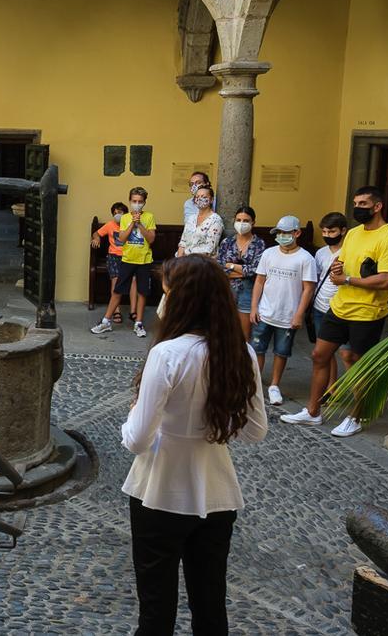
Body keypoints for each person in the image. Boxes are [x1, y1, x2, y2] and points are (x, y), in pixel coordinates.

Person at [121, 255, 267, 635]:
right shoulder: (242, 352)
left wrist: (134, 413)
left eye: (166, 293)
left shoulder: (168, 354)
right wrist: (211, 423)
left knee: (156, 611)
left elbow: (137, 440)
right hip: (216, 493)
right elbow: (255, 431)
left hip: (159, 492)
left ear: (182, 300)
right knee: (210, 605)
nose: (162, 301)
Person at [282, 187, 388, 437]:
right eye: (355, 203)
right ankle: (313, 411)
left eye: (363, 203)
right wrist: (338, 270)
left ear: (377, 206)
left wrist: (348, 280)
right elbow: (343, 262)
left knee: (357, 363)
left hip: (367, 312)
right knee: (319, 355)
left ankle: (357, 416)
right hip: (339, 307)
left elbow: (386, 280)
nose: (357, 208)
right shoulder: (354, 234)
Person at [249, 215, 317, 407]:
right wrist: (254, 307)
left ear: (297, 233)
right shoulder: (269, 253)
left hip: (288, 315)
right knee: (257, 349)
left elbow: (308, 288)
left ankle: (274, 385)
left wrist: (299, 313)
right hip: (265, 311)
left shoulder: (305, 258)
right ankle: (254, 384)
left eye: (286, 233)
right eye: (278, 233)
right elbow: (260, 281)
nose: (281, 236)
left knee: (282, 351)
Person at [93, 187, 155, 338]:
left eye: (140, 201)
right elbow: (121, 238)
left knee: (142, 292)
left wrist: (139, 223)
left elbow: (151, 239)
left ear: (144, 202)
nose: (137, 204)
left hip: (144, 260)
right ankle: (106, 321)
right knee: (118, 290)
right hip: (127, 259)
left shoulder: (149, 217)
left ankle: (138, 323)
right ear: (130, 201)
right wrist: (131, 224)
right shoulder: (125, 217)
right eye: (134, 201)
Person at [217, 206, 267, 340]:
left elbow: (256, 270)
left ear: (253, 223)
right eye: (238, 220)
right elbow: (220, 268)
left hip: (248, 291)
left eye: (246, 220)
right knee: (225, 331)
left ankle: (243, 359)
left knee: (244, 335)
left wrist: (231, 266)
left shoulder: (259, 244)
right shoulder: (227, 242)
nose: (241, 223)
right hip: (227, 290)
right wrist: (244, 270)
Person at [311, 212, 349, 387]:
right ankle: (331, 387)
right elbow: (317, 278)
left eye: (331, 231)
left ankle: (356, 393)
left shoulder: (350, 251)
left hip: (343, 308)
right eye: (324, 232)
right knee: (326, 352)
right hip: (320, 307)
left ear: (343, 230)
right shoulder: (320, 253)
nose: (327, 235)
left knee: (347, 354)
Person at [91, 202, 131, 327]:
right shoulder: (110, 225)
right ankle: (116, 310)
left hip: (128, 256)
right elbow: (97, 233)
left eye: (119, 212)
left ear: (125, 213)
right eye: (114, 213)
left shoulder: (130, 224)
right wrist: (96, 238)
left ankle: (134, 312)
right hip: (114, 256)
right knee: (115, 280)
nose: (117, 215)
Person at [177, 184, 224, 257]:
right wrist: (179, 261)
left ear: (211, 200)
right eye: (197, 197)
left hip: (203, 262)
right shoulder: (191, 218)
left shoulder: (215, 220)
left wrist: (188, 261)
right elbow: (183, 242)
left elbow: (209, 249)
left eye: (204, 197)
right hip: (184, 261)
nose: (199, 199)